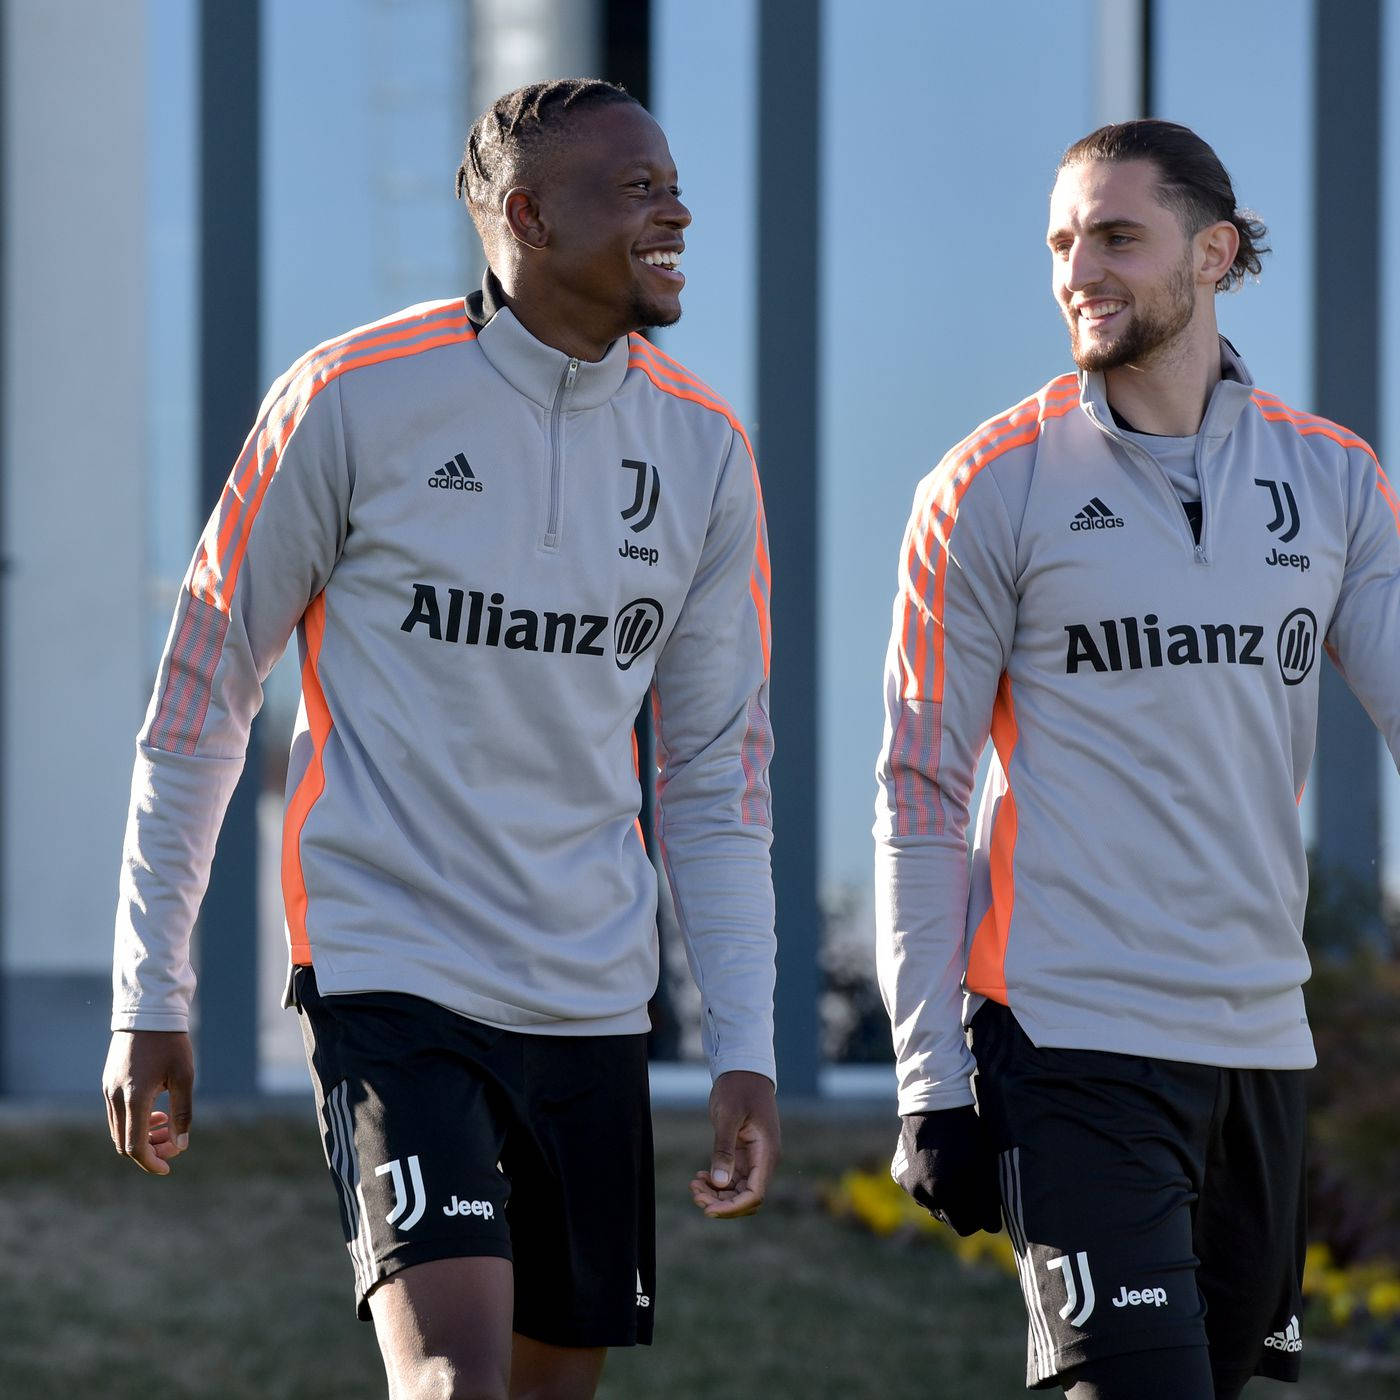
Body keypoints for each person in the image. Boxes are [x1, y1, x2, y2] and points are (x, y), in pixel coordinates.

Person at [103, 78, 779, 1400]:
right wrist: (151, 992)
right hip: (391, 975)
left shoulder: (706, 452)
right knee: (456, 1385)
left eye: (673, 181)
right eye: (636, 188)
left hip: (591, 1002)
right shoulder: (348, 399)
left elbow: (714, 775)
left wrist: (743, 1040)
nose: (677, 209)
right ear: (525, 215)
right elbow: (200, 701)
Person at [875, 118, 1397, 1399]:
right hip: (1068, 1037)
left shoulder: (1332, 480)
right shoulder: (985, 486)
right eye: (1060, 241)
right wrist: (928, 1074)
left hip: (1259, 1041)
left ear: (1212, 253)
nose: (1076, 270)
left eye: (1115, 234)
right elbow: (920, 790)